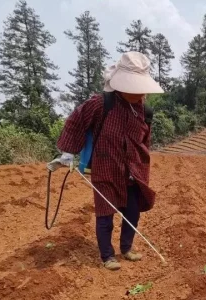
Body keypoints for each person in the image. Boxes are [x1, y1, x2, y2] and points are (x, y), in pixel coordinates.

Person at [51, 52, 164, 271]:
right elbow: (76, 122)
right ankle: (107, 255)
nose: (138, 92)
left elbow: (145, 142)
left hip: (134, 171)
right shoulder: (101, 104)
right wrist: (67, 154)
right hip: (105, 168)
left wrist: (142, 166)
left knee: (132, 212)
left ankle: (127, 247)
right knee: (105, 214)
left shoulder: (145, 112)